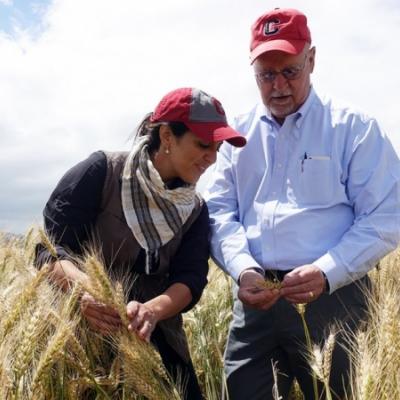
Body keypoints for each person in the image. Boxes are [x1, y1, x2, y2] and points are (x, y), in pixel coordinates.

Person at [205, 8, 400, 400]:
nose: (278, 85)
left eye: (290, 71)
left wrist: (327, 271)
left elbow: (386, 214)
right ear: (253, 70)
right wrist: (243, 270)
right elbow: (217, 212)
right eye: (265, 75)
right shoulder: (236, 136)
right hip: (255, 305)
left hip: (336, 303)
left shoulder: (353, 128)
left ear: (311, 59)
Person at [35, 87, 246, 400]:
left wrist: (152, 311)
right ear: (166, 136)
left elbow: (189, 279)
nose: (212, 158)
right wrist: (86, 291)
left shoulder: (196, 210)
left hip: (157, 342)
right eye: (203, 144)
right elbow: (49, 251)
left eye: (217, 148)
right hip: (79, 340)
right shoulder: (100, 173)